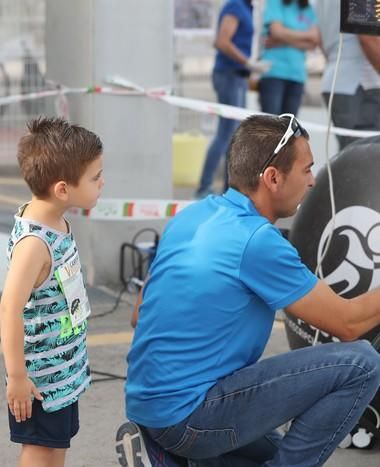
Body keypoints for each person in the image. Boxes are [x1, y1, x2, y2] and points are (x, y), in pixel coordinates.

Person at [124, 114, 380, 465]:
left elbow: (140, 314)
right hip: (191, 418)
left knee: (274, 453)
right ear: (273, 178)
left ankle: (168, 459)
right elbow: (349, 323)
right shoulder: (258, 242)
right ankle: (184, 453)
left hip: (149, 408)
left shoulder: (192, 216)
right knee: (362, 363)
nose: (312, 181)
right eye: (306, 170)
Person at [0, 117, 104, 467]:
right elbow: (8, 308)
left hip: (62, 368)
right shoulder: (34, 243)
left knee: (55, 447)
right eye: (95, 177)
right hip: (40, 377)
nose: (102, 183)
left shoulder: (55, 219)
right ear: (63, 188)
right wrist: (17, 376)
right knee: (40, 451)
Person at [195, 0, 269, 199]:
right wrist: (247, 62)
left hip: (237, 77)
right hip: (229, 74)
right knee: (226, 133)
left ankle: (226, 189)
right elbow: (222, 41)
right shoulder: (235, 5)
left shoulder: (245, 7)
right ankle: (205, 186)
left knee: (233, 134)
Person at [316, 0, 380, 150]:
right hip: (360, 85)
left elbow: (318, 37)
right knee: (365, 159)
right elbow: (368, 37)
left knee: (350, 158)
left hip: (336, 77)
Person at [258, 0, 319, 115]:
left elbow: (314, 41)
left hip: (297, 76)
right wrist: (306, 36)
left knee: (289, 129)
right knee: (271, 128)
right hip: (274, 73)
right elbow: (276, 31)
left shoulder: (308, 8)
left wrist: (282, 39)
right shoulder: (275, 2)